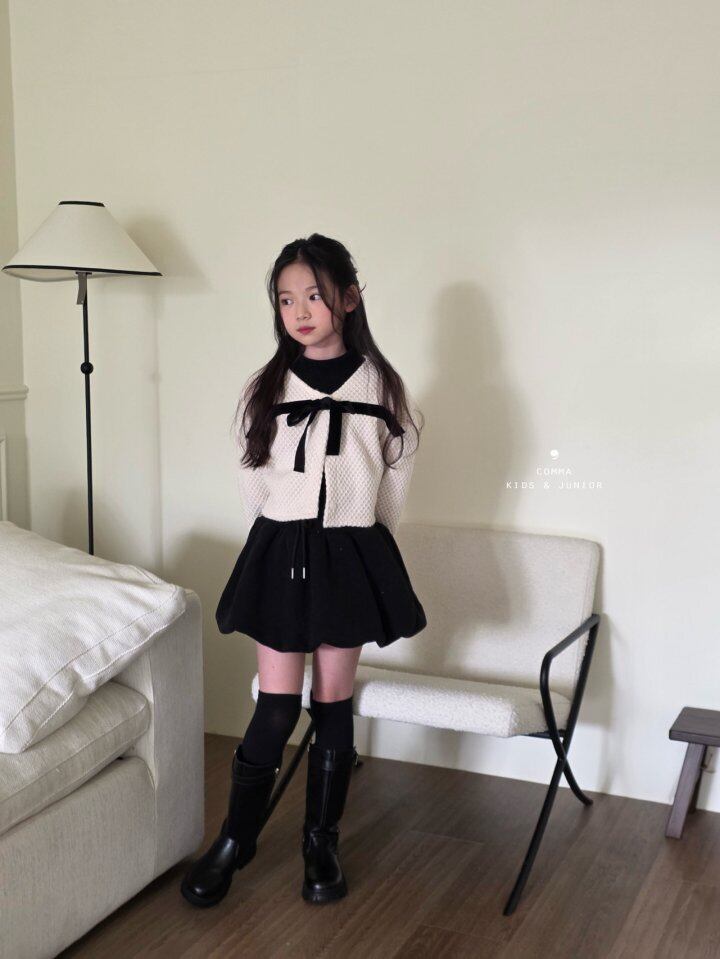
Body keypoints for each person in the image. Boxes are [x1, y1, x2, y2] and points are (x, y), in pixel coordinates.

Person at [181, 233, 427, 909]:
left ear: (348, 298)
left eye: (314, 296)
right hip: (281, 551)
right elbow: (252, 473)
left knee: (332, 704)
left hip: (350, 552)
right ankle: (236, 838)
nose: (300, 311)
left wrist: (361, 537)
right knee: (277, 704)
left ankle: (321, 841)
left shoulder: (383, 386)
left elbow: (395, 478)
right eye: (286, 300)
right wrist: (280, 530)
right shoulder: (266, 386)